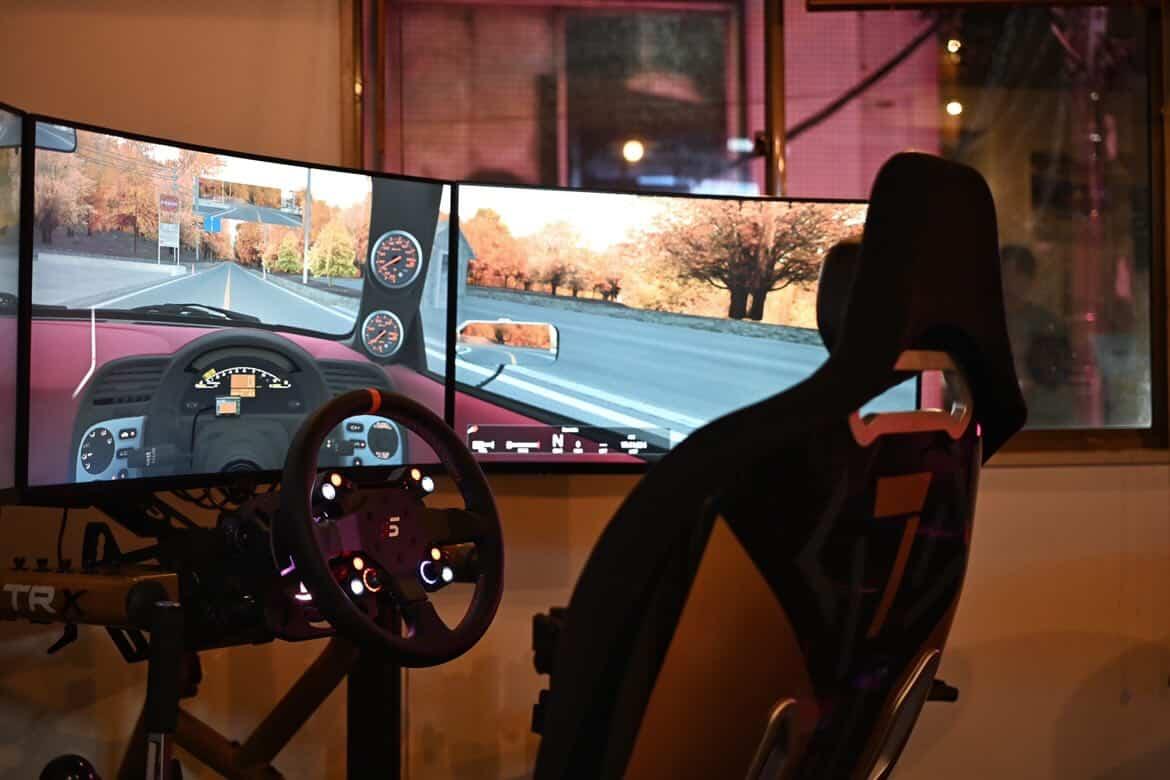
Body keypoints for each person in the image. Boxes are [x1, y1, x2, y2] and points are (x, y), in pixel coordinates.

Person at [1000, 244, 1075, 427]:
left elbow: (1061, 381)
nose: (1007, 281)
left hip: (1038, 423)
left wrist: (1033, 391)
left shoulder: (1047, 325)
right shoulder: (985, 322)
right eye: (1003, 274)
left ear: (1028, 279)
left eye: (1015, 274)